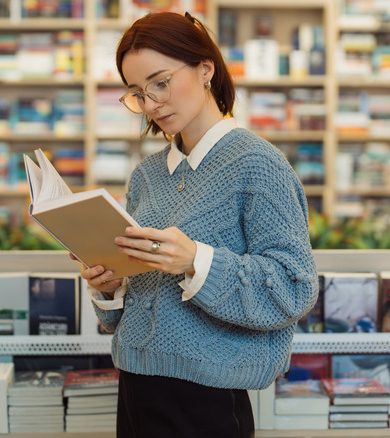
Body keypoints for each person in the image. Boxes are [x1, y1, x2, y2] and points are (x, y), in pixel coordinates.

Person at [76, 11, 319, 437]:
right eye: (136, 92)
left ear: (205, 69)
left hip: (209, 398)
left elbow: (294, 287)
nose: (151, 103)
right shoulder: (147, 175)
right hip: (134, 387)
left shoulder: (258, 165)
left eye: (160, 82)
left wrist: (196, 261)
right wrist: (109, 286)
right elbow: (127, 311)